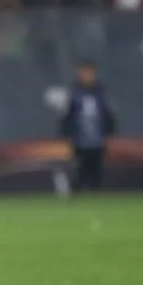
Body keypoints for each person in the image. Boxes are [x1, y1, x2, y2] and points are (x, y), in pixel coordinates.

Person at [60, 61, 117, 191]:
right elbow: (67, 115)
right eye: (84, 72)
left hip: (98, 140)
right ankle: (78, 193)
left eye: (90, 72)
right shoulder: (74, 93)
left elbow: (108, 114)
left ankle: (95, 194)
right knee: (80, 171)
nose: (87, 75)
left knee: (96, 171)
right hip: (80, 140)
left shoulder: (101, 93)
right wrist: (66, 133)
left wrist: (110, 131)